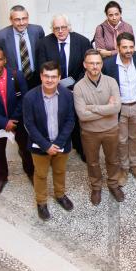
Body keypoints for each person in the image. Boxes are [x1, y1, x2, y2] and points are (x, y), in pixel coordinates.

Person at [22, 61, 76, 221]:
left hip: (61, 144)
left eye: (53, 77)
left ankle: (60, 195)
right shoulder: (30, 97)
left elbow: (70, 120)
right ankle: (41, 202)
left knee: (60, 171)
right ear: (41, 76)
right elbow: (29, 124)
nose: (50, 80)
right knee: (40, 174)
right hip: (40, 147)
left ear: (59, 77)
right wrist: (46, 146)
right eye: (46, 76)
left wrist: (58, 143)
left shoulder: (67, 95)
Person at [0, 46, 34, 195]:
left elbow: (24, 98)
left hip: (18, 122)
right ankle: (1, 178)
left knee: (25, 149)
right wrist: (4, 123)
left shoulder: (17, 75)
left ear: (5, 60)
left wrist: (13, 120)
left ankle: (31, 173)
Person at [35, 14, 91, 161]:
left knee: (78, 119)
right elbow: (42, 67)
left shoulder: (82, 42)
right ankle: (60, 147)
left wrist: (76, 86)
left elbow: (86, 66)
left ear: (69, 27)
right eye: (56, 28)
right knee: (58, 118)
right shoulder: (44, 44)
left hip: (77, 87)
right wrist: (56, 85)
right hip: (54, 89)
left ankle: (80, 147)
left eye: (63, 27)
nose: (60, 31)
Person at [74, 50, 123, 205]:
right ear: (84, 65)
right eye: (91, 63)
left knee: (113, 159)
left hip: (111, 130)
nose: (95, 66)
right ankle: (96, 187)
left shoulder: (111, 82)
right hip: (90, 133)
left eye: (98, 63)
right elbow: (82, 115)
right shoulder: (79, 87)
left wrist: (92, 108)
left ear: (102, 64)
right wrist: (106, 109)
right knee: (92, 162)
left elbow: (116, 108)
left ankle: (113, 184)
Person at [102, 32, 136, 184]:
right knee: (121, 140)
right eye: (125, 47)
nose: (129, 50)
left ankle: (135, 165)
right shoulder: (109, 64)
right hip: (120, 108)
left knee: (134, 137)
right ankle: (124, 168)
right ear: (117, 48)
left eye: (131, 47)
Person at [0, 4, 44, 90]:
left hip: (35, 76)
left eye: (24, 18)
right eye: (17, 20)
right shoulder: (0, 36)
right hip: (14, 78)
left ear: (28, 18)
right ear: (11, 20)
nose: (21, 23)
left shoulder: (37, 30)